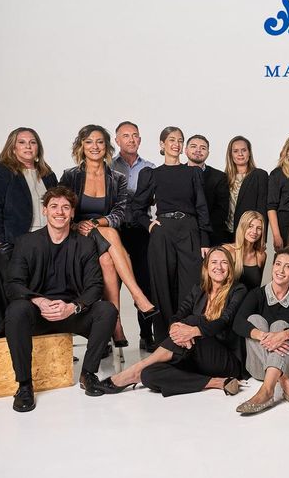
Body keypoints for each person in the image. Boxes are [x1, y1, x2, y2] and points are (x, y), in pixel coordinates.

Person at [3, 187, 117, 412]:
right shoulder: (26, 242)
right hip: (38, 314)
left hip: (71, 313)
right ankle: (24, 386)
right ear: (45, 210)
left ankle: (88, 374)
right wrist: (38, 301)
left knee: (107, 310)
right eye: (54, 206)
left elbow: (95, 286)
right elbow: (13, 284)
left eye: (66, 207)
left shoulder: (85, 244)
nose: (60, 212)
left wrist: (73, 307)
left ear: (72, 213)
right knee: (16, 310)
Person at [96, 247, 247, 397]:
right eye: (214, 262)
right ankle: (217, 382)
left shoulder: (238, 290)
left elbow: (224, 321)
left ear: (230, 268)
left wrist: (194, 331)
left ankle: (133, 371)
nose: (219, 267)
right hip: (197, 358)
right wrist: (175, 327)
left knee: (193, 320)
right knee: (148, 375)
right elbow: (178, 315)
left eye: (224, 262)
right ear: (206, 267)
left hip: (224, 360)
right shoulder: (199, 289)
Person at [60, 124, 157, 351]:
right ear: (81, 146)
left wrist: (95, 223)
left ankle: (114, 324)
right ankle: (137, 296)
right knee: (111, 236)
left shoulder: (117, 178)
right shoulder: (70, 176)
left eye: (99, 142)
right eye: (89, 142)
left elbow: (119, 214)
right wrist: (76, 225)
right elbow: (61, 209)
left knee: (106, 259)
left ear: (107, 146)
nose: (94, 146)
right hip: (78, 235)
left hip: (103, 235)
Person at [131, 127, 212, 341]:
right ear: (162, 144)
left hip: (189, 230)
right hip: (163, 232)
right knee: (162, 286)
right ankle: (165, 340)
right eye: (171, 140)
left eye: (180, 140)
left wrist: (205, 240)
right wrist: (149, 224)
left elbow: (202, 207)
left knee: (192, 285)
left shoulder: (193, 172)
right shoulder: (151, 174)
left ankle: (188, 337)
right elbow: (136, 208)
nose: (176, 144)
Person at [0, 127, 58, 338]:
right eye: (22, 142)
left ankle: (47, 342)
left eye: (32, 142)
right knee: (17, 295)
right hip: (13, 244)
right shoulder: (2, 172)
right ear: (13, 147)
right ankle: (10, 342)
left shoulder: (48, 175)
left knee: (46, 293)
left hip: (46, 242)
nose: (28, 146)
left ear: (38, 147)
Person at [233, 248, 289, 414]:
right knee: (254, 320)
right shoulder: (257, 294)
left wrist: (282, 335)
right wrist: (263, 336)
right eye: (278, 264)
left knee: (279, 325)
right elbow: (237, 323)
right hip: (258, 368)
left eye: (288, 267)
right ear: (272, 266)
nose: (281, 270)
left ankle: (266, 390)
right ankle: (283, 380)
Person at [112, 121, 157, 350]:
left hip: (140, 232)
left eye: (135, 135)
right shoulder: (107, 167)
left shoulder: (150, 168)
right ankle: (108, 336)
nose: (131, 139)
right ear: (117, 140)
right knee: (110, 285)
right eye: (126, 135)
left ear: (140, 139)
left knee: (145, 283)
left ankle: (146, 335)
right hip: (115, 231)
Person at [185, 134, 231, 246]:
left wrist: (203, 229)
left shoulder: (219, 177)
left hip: (211, 235)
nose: (198, 150)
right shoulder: (177, 174)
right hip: (182, 234)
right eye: (193, 146)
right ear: (186, 150)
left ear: (208, 153)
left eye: (203, 148)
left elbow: (222, 210)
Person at [224, 135, 269, 241]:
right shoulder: (224, 178)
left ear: (249, 153)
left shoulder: (260, 175)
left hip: (249, 233)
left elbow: (262, 209)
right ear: (230, 154)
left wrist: (262, 239)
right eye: (235, 151)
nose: (240, 154)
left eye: (244, 150)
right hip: (226, 233)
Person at [228, 210, 267, 291]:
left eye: (259, 228)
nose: (254, 231)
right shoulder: (228, 251)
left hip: (251, 299)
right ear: (243, 227)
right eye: (250, 226)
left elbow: (257, 289)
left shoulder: (261, 256)